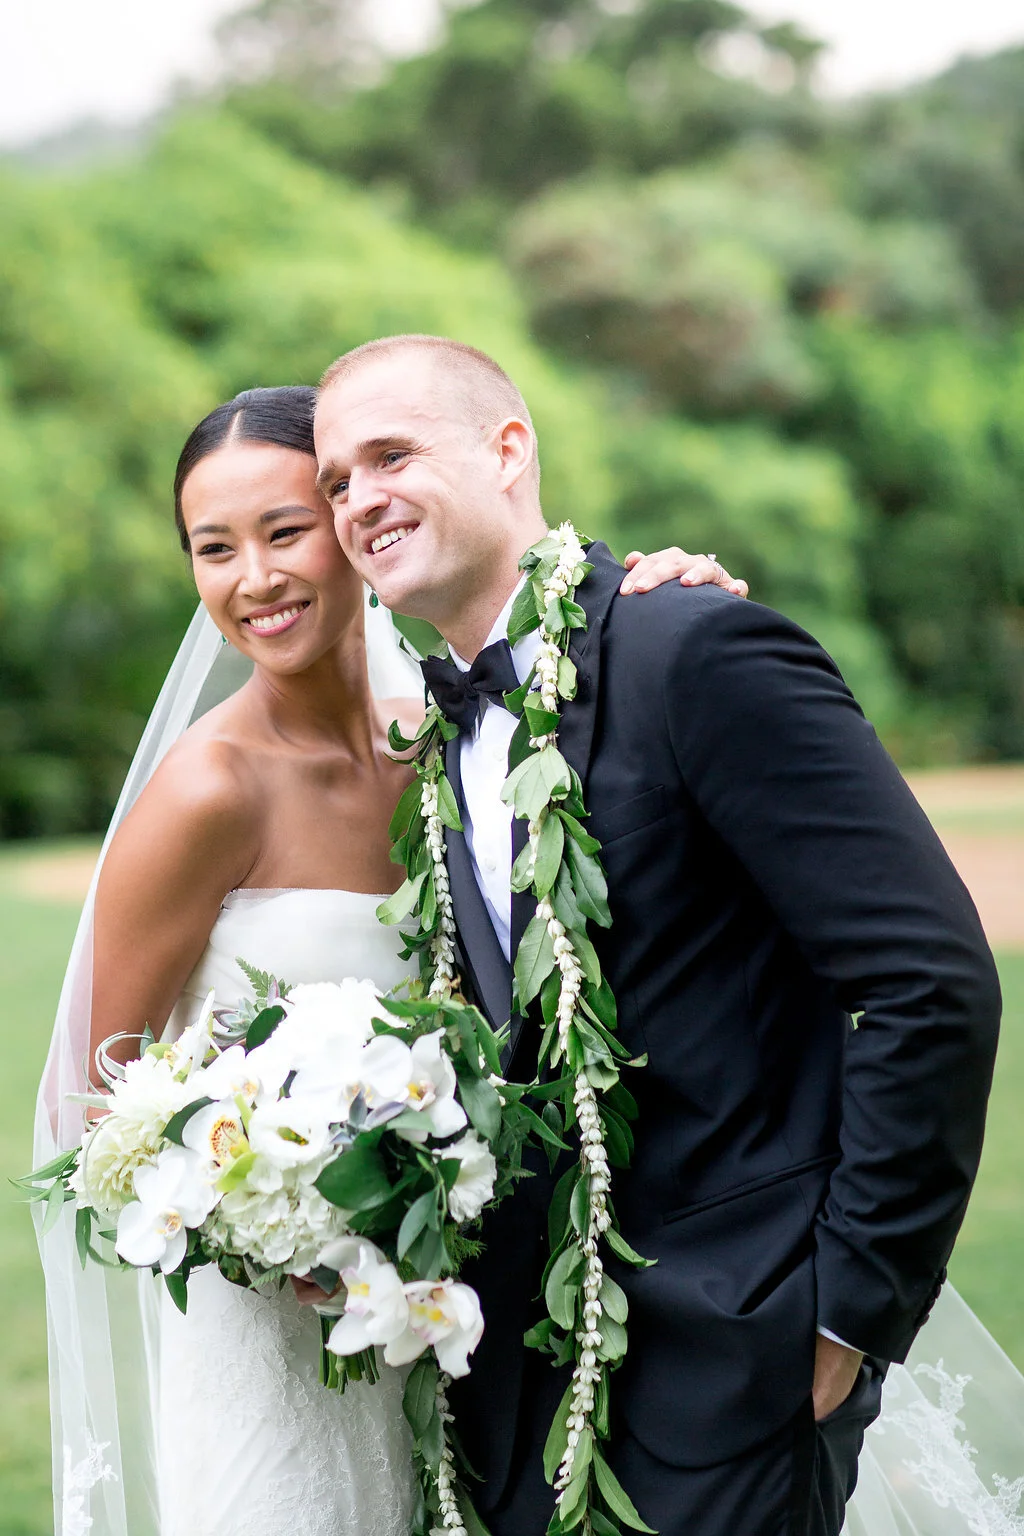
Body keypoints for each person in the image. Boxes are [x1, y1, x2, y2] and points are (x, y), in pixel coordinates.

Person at [313, 334, 1008, 1536]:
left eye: (391, 456)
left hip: (741, 1351)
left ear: (508, 449)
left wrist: (846, 1311)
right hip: (522, 1381)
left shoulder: (692, 647)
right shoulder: (432, 739)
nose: (358, 499)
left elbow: (927, 979)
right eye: (334, 482)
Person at [32, 382, 741, 1536]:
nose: (254, 578)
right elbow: (94, 1108)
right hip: (277, 1345)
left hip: (472, 1313)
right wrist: (269, 1216)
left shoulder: (454, 739)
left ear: (356, 522)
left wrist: (669, 601)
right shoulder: (209, 791)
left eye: (284, 530)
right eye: (214, 548)